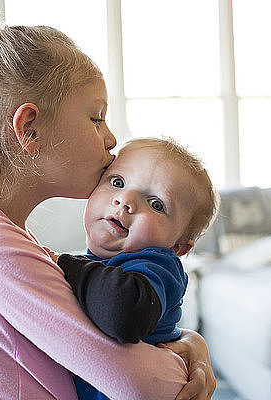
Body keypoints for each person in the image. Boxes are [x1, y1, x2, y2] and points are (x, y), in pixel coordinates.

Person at [0, 21, 216, 400]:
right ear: (29, 127)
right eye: (96, 117)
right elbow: (143, 385)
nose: (111, 139)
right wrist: (186, 354)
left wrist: (186, 339)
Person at [50, 138, 218, 400]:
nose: (125, 200)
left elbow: (122, 311)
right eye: (117, 182)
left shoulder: (159, 265)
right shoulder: (89, 265)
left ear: (177, 247)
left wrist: (64, 264)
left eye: (156, 204)